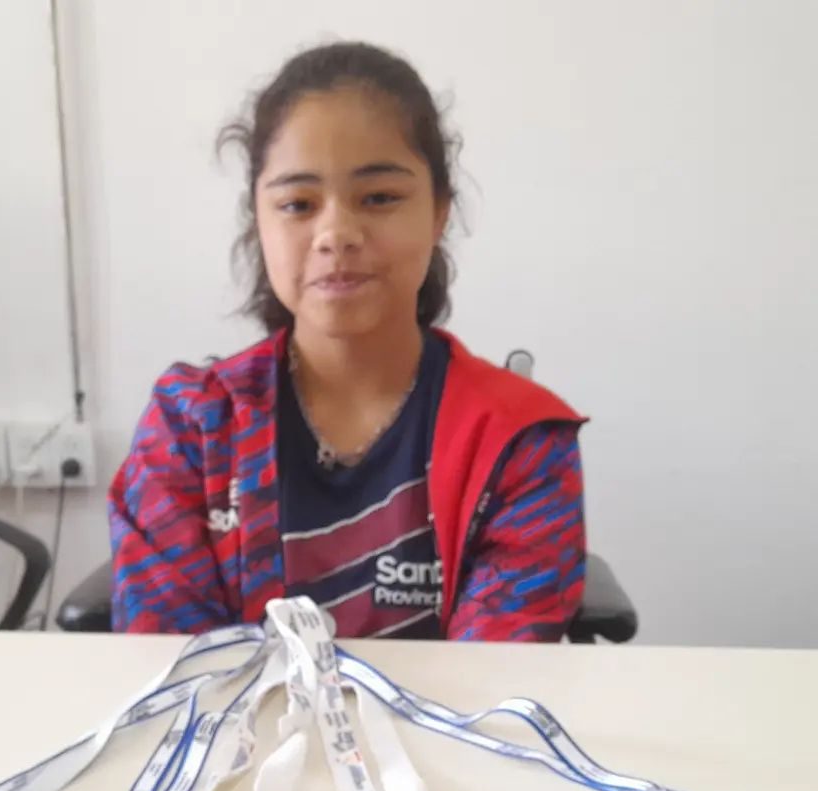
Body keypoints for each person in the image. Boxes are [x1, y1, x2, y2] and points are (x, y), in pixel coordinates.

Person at [109, 41, 585, 640]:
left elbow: (496, 677)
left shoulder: (518, 441)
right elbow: (175, 668)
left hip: (442, 710)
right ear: (259, 220)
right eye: (297, 204)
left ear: (439, 212)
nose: (336, 232)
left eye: (379, 198)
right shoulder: (191, 430)